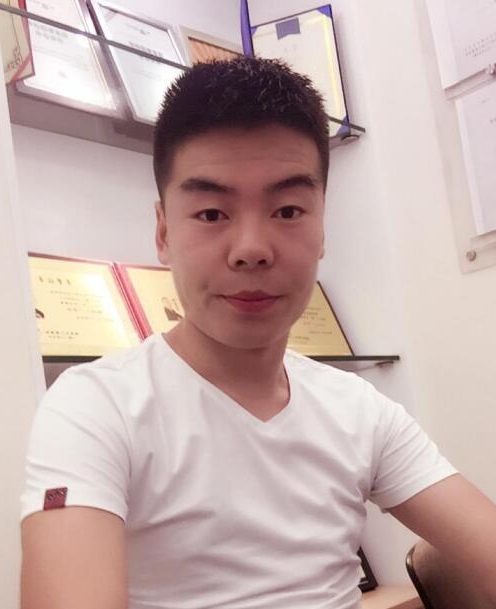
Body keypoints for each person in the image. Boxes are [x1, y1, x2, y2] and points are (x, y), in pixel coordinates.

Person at [20, 57, 496, 609]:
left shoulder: (360, 410)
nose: (251, 249)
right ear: (163, 232)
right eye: (212, 214)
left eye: (288, 210)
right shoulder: (96, 408)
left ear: (322, 227)